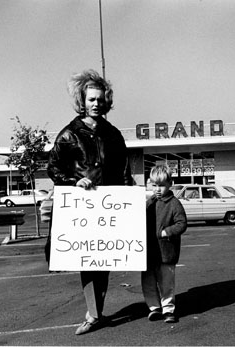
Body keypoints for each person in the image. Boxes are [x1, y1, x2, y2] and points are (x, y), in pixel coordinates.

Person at [47, 69, 132, 335]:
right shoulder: (69, 134)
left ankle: (96, 312)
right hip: (83, 209)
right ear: (82, 101)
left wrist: (132, 198)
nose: (96, 104)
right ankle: (93, 314)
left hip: (110, 209)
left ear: (106, 101)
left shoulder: (114, 134)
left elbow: (124, 172)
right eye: (91, 99)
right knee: (88, 260)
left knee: (104, 260)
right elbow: (53, 168)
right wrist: (74, 181)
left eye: (100, 99)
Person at [143, 165, 187, 323]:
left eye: (161, 185)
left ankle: (168, 309)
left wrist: (166, 232)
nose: (158, 189)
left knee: (166, 282)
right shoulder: (149, 202)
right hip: (148, 251)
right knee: (148, 281)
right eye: (154, 185)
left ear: (170, 184)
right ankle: (154, 308)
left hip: (167, 252)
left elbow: (182, 223)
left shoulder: (174, 203)